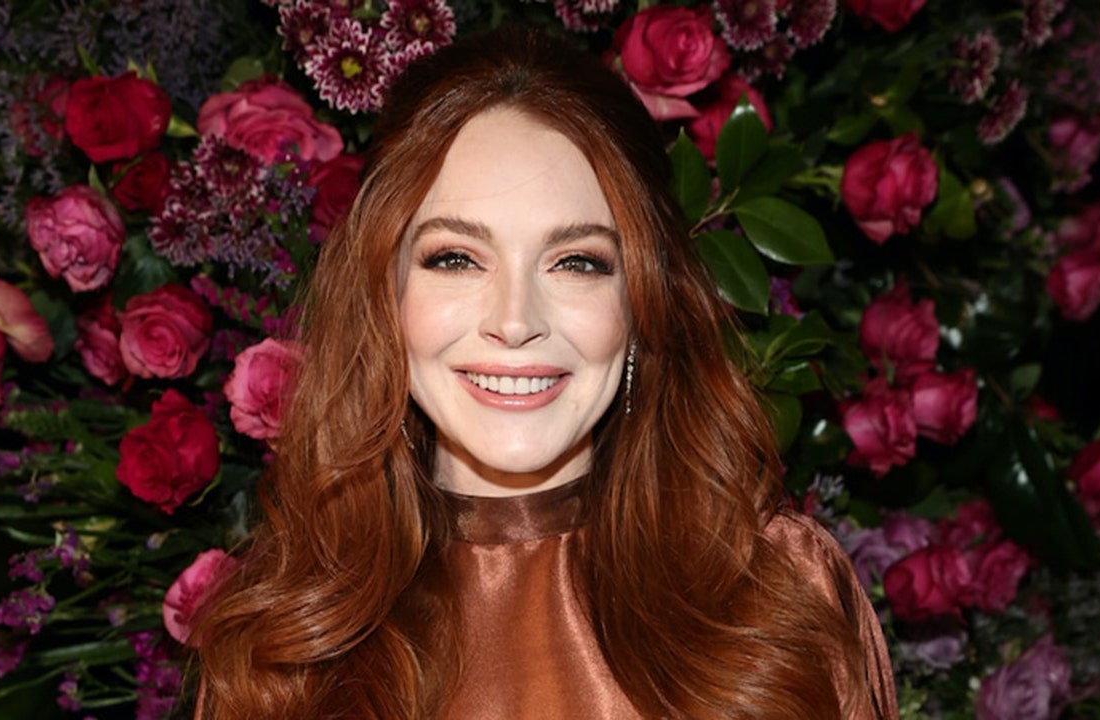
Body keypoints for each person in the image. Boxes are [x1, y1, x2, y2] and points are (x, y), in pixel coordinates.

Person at [192, 24, 898, 720]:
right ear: (382, 291)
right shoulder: (282, 647)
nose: (515, 320)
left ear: (643, 301)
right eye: (455, 258)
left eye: (577, 262)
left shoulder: (778, 594)